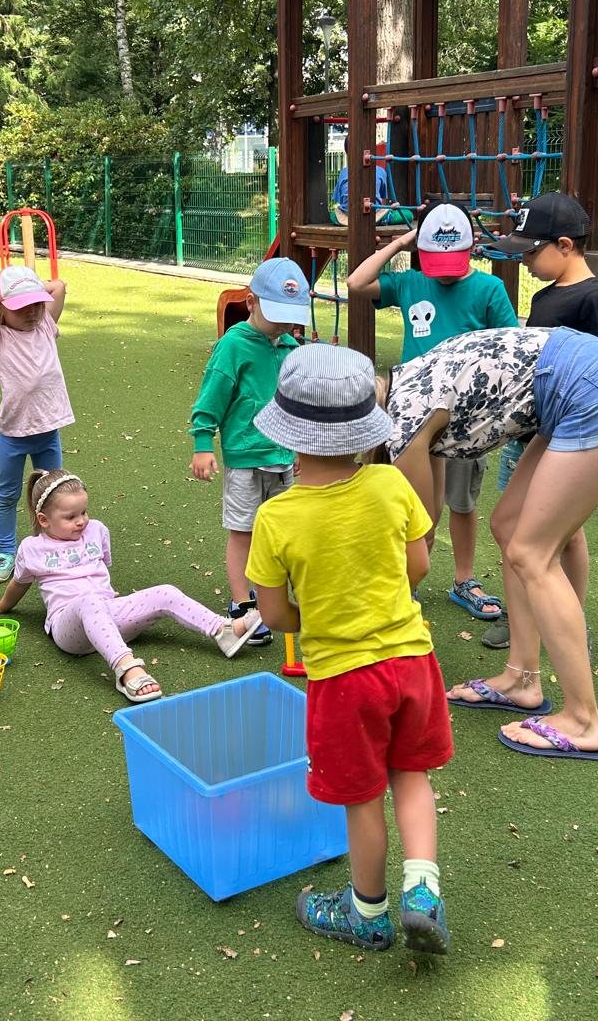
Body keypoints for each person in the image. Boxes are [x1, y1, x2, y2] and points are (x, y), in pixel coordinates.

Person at [246, 343, 453, 954]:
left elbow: (274, 613)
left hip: (343, 678)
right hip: (412, 662)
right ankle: (423, 891)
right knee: (410, 776)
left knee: (363, 799)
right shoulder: (390, 484)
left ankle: (367, 912)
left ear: (290, 438)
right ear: (365, 431)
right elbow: (418, 566)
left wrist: (319, 611)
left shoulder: (276, 518)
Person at [378, 325, 598, 758]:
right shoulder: (405, 381)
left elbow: (420, 530)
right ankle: (522, 679)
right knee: (509, 525)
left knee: (532, 553)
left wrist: (379, 605)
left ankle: (583, 721)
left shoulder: (403, 422)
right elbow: (429, 510)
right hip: (587, 377)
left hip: (594, 388)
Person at [347, 201, 518, 626]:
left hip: (466, 420)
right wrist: (402, 242)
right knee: (415, 504)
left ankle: (463, 579)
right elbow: (356, 282)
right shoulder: (411, 282)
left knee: (462, 500)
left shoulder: (488, 289)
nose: (444, 272)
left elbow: (509, 347)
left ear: (471, 247)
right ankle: (406, 577)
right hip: (413, 415)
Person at [0, 469, 257, 702]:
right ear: (44, 520)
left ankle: (223, 631)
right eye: (70, 517)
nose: (81, 521)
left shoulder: (96, 530)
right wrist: (3, 605)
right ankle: (126, 669)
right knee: (89, 601)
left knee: (165, 592)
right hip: (70, 629)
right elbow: (19, 583)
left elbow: (102, 571)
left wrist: (111, 601)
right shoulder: (32, 548)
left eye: (84, 512)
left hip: (108, 612)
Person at [483, 191, 598, 648]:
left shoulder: (593, 298)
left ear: (564, 245)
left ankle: (569, 617)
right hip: (531, 432)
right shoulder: (544, 297)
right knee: (516, 525)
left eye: (530, 252)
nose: (524, 263)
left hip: (566, 438)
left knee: (566, 531)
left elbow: (597, 370)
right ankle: (526, 612)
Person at [188, 256, 316, 645]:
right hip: (246, 459)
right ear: (251, 303)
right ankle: (242, 604)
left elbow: (297, 403)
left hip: (284, 458)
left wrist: (302, 446)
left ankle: (274, 598)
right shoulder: (233, 345)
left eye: (291, 318)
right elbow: (211, 396)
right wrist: (202, 443)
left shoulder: (291, 347)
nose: (283, 325)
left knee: (282, 533)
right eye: (276, 316)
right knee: (243, 532)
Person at [0, 263, 73, 584]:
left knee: (54, 492)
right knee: (8, 493)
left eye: (36, 304)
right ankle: (6, 552)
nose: (31, 312)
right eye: (21, 306)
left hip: (48, 432)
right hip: (12, 434)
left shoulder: (45, 326)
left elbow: (59, 286)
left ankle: (51, 547)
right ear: (1, 308)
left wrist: (32, 286)